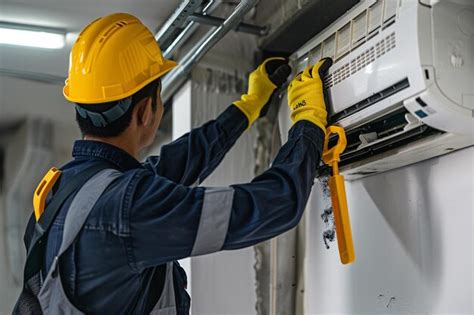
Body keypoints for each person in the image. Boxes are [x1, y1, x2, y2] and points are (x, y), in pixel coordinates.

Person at [15, 13, 332, 314]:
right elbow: (276, 204)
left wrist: (248, 107)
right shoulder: (128, 207)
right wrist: (307, 124)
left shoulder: (65, 192)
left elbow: (178, 164)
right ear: (145, 112)